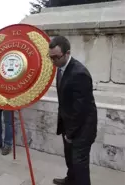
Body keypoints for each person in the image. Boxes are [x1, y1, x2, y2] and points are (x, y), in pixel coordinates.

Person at [49, 36, 97, 185]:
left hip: (82, 129)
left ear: (67, 53)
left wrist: (70, 134)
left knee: (80, 164)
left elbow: (80, 111)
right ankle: (70, 180)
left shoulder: (79, 73)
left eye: (56, 57)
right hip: (68, 124)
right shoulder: (60, 68)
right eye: (50, 57)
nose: (53, 61)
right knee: (70, 158)